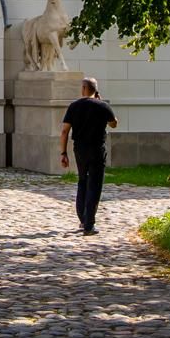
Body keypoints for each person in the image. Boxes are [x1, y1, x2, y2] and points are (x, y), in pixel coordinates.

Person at [60, 77, 118, 235]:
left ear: (84, 88)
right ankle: (89, 224)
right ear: (95, 90)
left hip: (79, 149)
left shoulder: (74, 106)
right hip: (97, 148)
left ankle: (83, 218)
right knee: (95, 184)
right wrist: (102, 104)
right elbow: (114, 123)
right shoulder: (103, 106)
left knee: (82, 181)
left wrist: (63, 152)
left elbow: (65, 130)